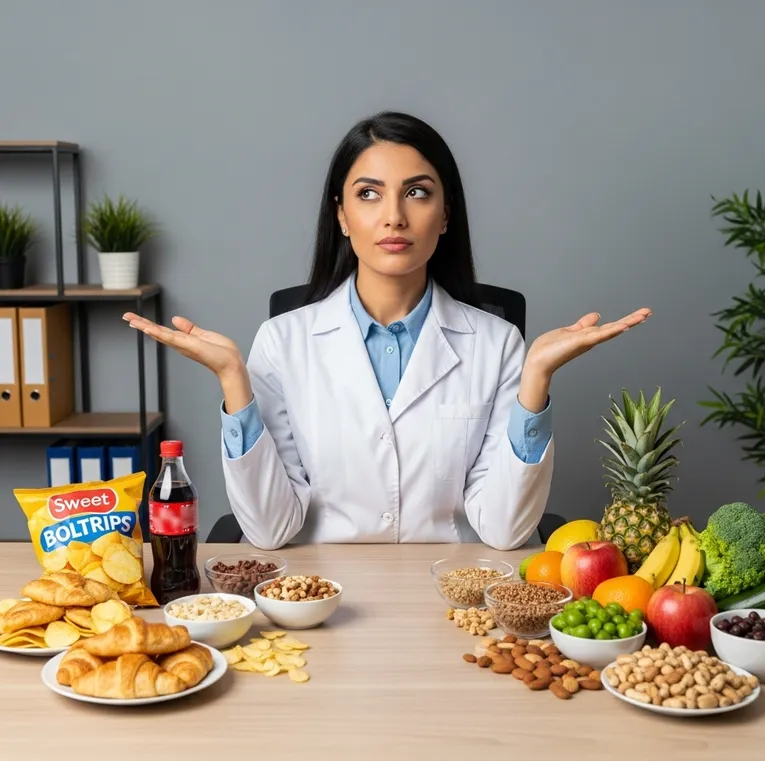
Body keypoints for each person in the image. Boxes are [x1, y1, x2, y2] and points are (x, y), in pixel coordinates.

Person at [124, 110, 650, 550]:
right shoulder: (281, 343)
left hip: (457, 595)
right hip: (323, 600)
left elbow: (508, 532)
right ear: (343, 216)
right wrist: (234, 385)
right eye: (369, 194)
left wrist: (535, 383)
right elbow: (268, 530)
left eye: (417, 193)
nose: (393, 216)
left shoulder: (499, 343)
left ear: (445, 215)